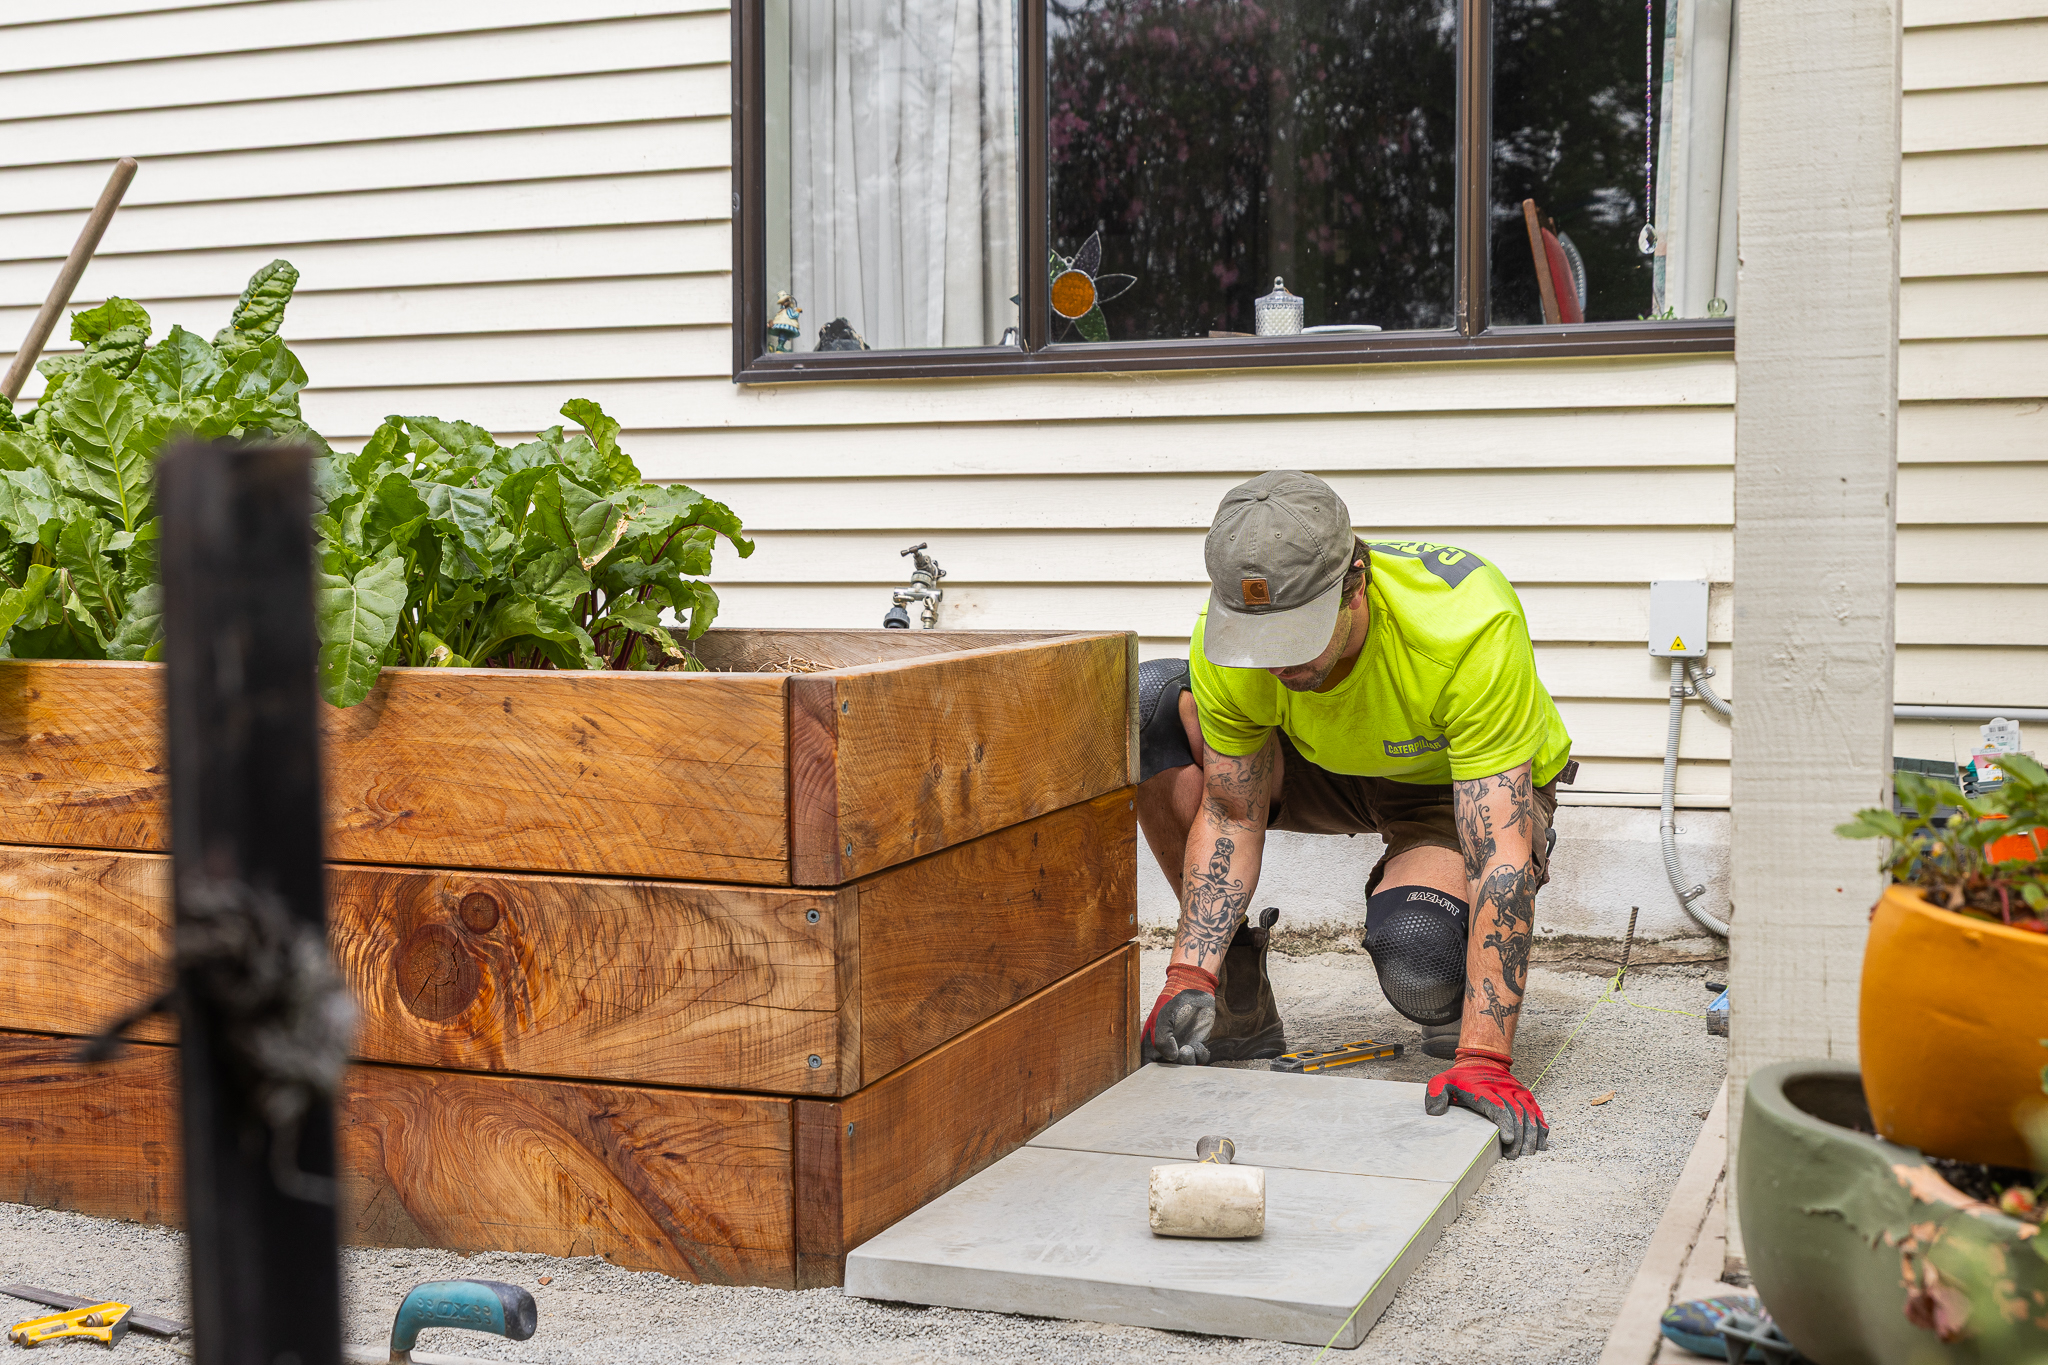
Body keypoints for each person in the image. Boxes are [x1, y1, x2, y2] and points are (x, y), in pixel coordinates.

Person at [1135, 471, 1575, 1158]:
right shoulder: (1228, 639)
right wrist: (1188, 974)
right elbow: (1229, 811)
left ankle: (1447, 991)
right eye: (1261, 640)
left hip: (1444, 783)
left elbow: (1501, 851)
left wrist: (1486, 1057)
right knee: (1152, 703)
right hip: (1323, 765)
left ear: (1356, 582)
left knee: (1418, 955)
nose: (1276, 660)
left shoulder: (1466, 623)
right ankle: (1236, 1007)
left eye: (1297, 635)